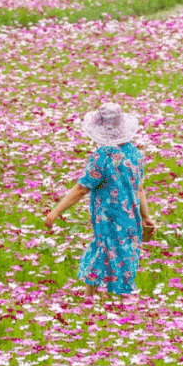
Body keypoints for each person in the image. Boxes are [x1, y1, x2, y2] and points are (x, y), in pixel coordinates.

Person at [42, 103, 155, 300]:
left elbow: (82, 188)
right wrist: (145, 216)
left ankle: (121, 309)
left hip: (108, 219)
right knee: (118, 257)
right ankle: (90, 302)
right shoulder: (134, 153)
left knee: (108, 256)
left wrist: (56, 211)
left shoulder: (102, 156)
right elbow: (140, 189)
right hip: (130, 219)